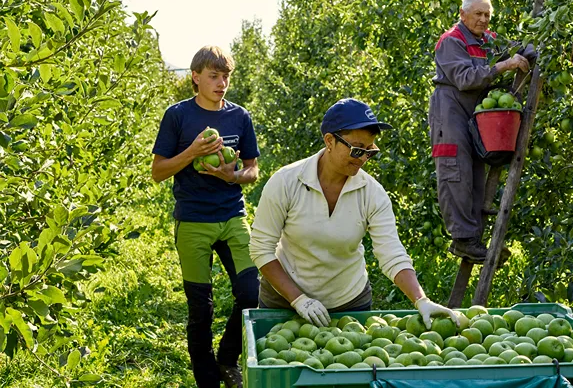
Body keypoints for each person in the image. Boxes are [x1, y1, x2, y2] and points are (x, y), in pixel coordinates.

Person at [249, 98, 460, 328]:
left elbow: (391, 253)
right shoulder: (286, 182)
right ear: (329, 140)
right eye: (357, 149)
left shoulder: (371, 193)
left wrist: (421, 300)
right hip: (283, 301)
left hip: (347, 305)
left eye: (370, 151)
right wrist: (298, 299)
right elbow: (261, 247)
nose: (363, 159)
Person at [151, 46, 260, 388]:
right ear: (195, 78)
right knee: (201, 309)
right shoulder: (178, 116)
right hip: (194, 220)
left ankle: (228, 359)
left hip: (232, 216)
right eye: (213, 76)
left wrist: (232, 176)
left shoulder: (239, 116)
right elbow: (158, 171)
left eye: (225, 76)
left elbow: (253, 169)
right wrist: (193, 152)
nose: (221, 83)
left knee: (250, 294)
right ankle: (207, 379)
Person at [428, 0, 536, 263]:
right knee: (455, 169)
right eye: (478, 14)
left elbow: (513, 50)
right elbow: (464, 78)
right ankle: (462, 239)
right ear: (463, 15)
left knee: (476, 169)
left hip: (476, 112)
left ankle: (473, 238)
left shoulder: (488, 40)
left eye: (487, 14)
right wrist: (504, 66)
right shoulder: (451, 41)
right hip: (449, 109)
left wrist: (532, 48)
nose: (483, 19)